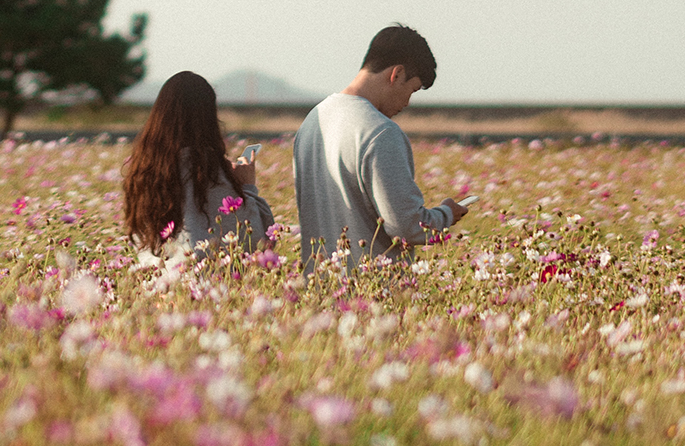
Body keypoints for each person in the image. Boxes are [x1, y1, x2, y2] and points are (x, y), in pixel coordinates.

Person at [293, 24, 468, 271]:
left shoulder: (313, 120)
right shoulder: (380, 131)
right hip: (371, 290)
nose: (407, 102)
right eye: (412, 89)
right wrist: (445, 215)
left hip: (319, 286)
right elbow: (406, 228)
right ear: (396, 74)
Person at [123, 70, 274, 256]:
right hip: (200, 281)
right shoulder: (205, 170)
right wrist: (248, 187)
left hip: (154, 279)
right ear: (209, 118)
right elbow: (258, 241)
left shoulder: (144, 170)